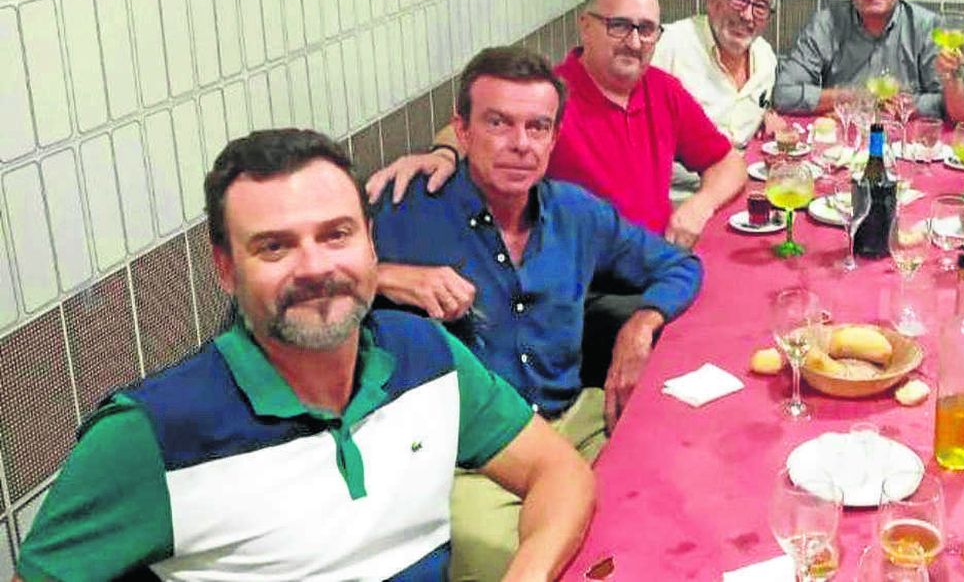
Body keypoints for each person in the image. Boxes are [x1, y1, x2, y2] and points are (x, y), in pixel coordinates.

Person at [15, 129, 594, 582]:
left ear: (371, 243)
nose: (316, 268)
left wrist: (526, 572)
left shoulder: (426, 353)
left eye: (336, 234)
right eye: (275, 246)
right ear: (225, 268)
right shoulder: (150, 434)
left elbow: (558, 471)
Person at [369, 47, 700, 579]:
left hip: (575, 423)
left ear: (554, 137)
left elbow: (680, 266)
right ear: (462, 130)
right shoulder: (405, 207)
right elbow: (308, 298)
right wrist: (384, 276)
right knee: (532, 565)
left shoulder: (575, 212)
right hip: (470, 458)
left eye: (537, 127)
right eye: (498, 123)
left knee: (670, 513)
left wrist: (641, 325)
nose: (520, 143)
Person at [366, 0, 746, 250]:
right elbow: (477, 127)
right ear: (585, 26)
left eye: (646, 30)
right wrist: (443, 154)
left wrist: (699, 205)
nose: (634, 42)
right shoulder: (550, 91)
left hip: (650, 262)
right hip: (582, 284)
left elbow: (728, 163)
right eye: (619, 26)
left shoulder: (663, 90)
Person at [651, 0, 787, 200]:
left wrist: (765, 114)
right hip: (675, 197)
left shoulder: (765, 58)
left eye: (760, 7)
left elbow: (743, 105)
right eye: (739, 0)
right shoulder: (668, 46)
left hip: (739, 189)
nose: (748, 16)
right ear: (713, 1)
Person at [771, 0, 944, 117]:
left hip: (907, 132)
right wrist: (854, 96)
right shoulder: (826, 24)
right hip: (843, 132)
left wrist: (905, 104)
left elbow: (948, 103)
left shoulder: (928, 26)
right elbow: (784, 95)